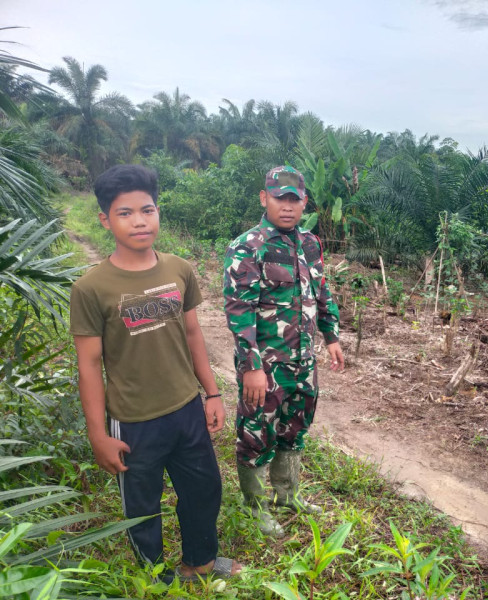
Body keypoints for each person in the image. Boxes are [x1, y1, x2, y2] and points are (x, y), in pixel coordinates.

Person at [70, 164, 241, 582]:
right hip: (133, 420)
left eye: (147, 209)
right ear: (105, 220)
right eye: (125, 212)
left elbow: (194, 333)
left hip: (186, 409)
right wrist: (98, 435)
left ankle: (199, 561)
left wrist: (213, 394)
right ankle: (156, 576)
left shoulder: (178, 269)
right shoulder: (91, 288)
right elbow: (89, 366)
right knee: (142, 506)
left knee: (204, 490)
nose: (139, 220)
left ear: (158, 211)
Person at [223, 165, 344, 538]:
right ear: (265, 198)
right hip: (266, 365)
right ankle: (255, 507)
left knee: (295, 427)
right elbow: (239, 311)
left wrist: (332, 335)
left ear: (304, 202)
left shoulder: (310, 243)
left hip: (303, 362)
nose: (287, 206)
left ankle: (287, 495)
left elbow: (320, 291)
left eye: (294, 199)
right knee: (257, 432)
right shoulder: (248, 246)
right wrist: (251, 367)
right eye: (280, 198)